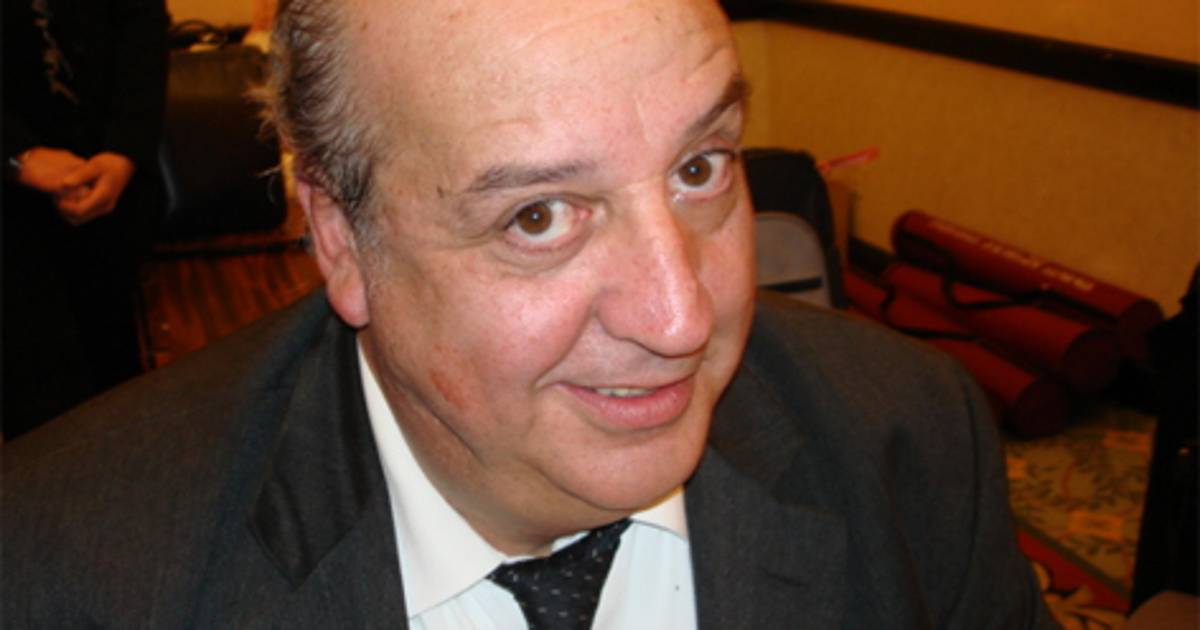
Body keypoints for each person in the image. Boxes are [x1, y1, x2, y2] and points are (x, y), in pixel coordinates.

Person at [1, 0, 1056, 627]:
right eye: (538, 216)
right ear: (340, 237)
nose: (682, 318)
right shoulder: (71, 570)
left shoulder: (913, 438)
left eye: (700, 167)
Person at [2, 0, 169, 439]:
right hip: (12, 216)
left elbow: (142, 27)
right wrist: (16, 156)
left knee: (117, 382)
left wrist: (124, 151)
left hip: (109, 190)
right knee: (38, 401)